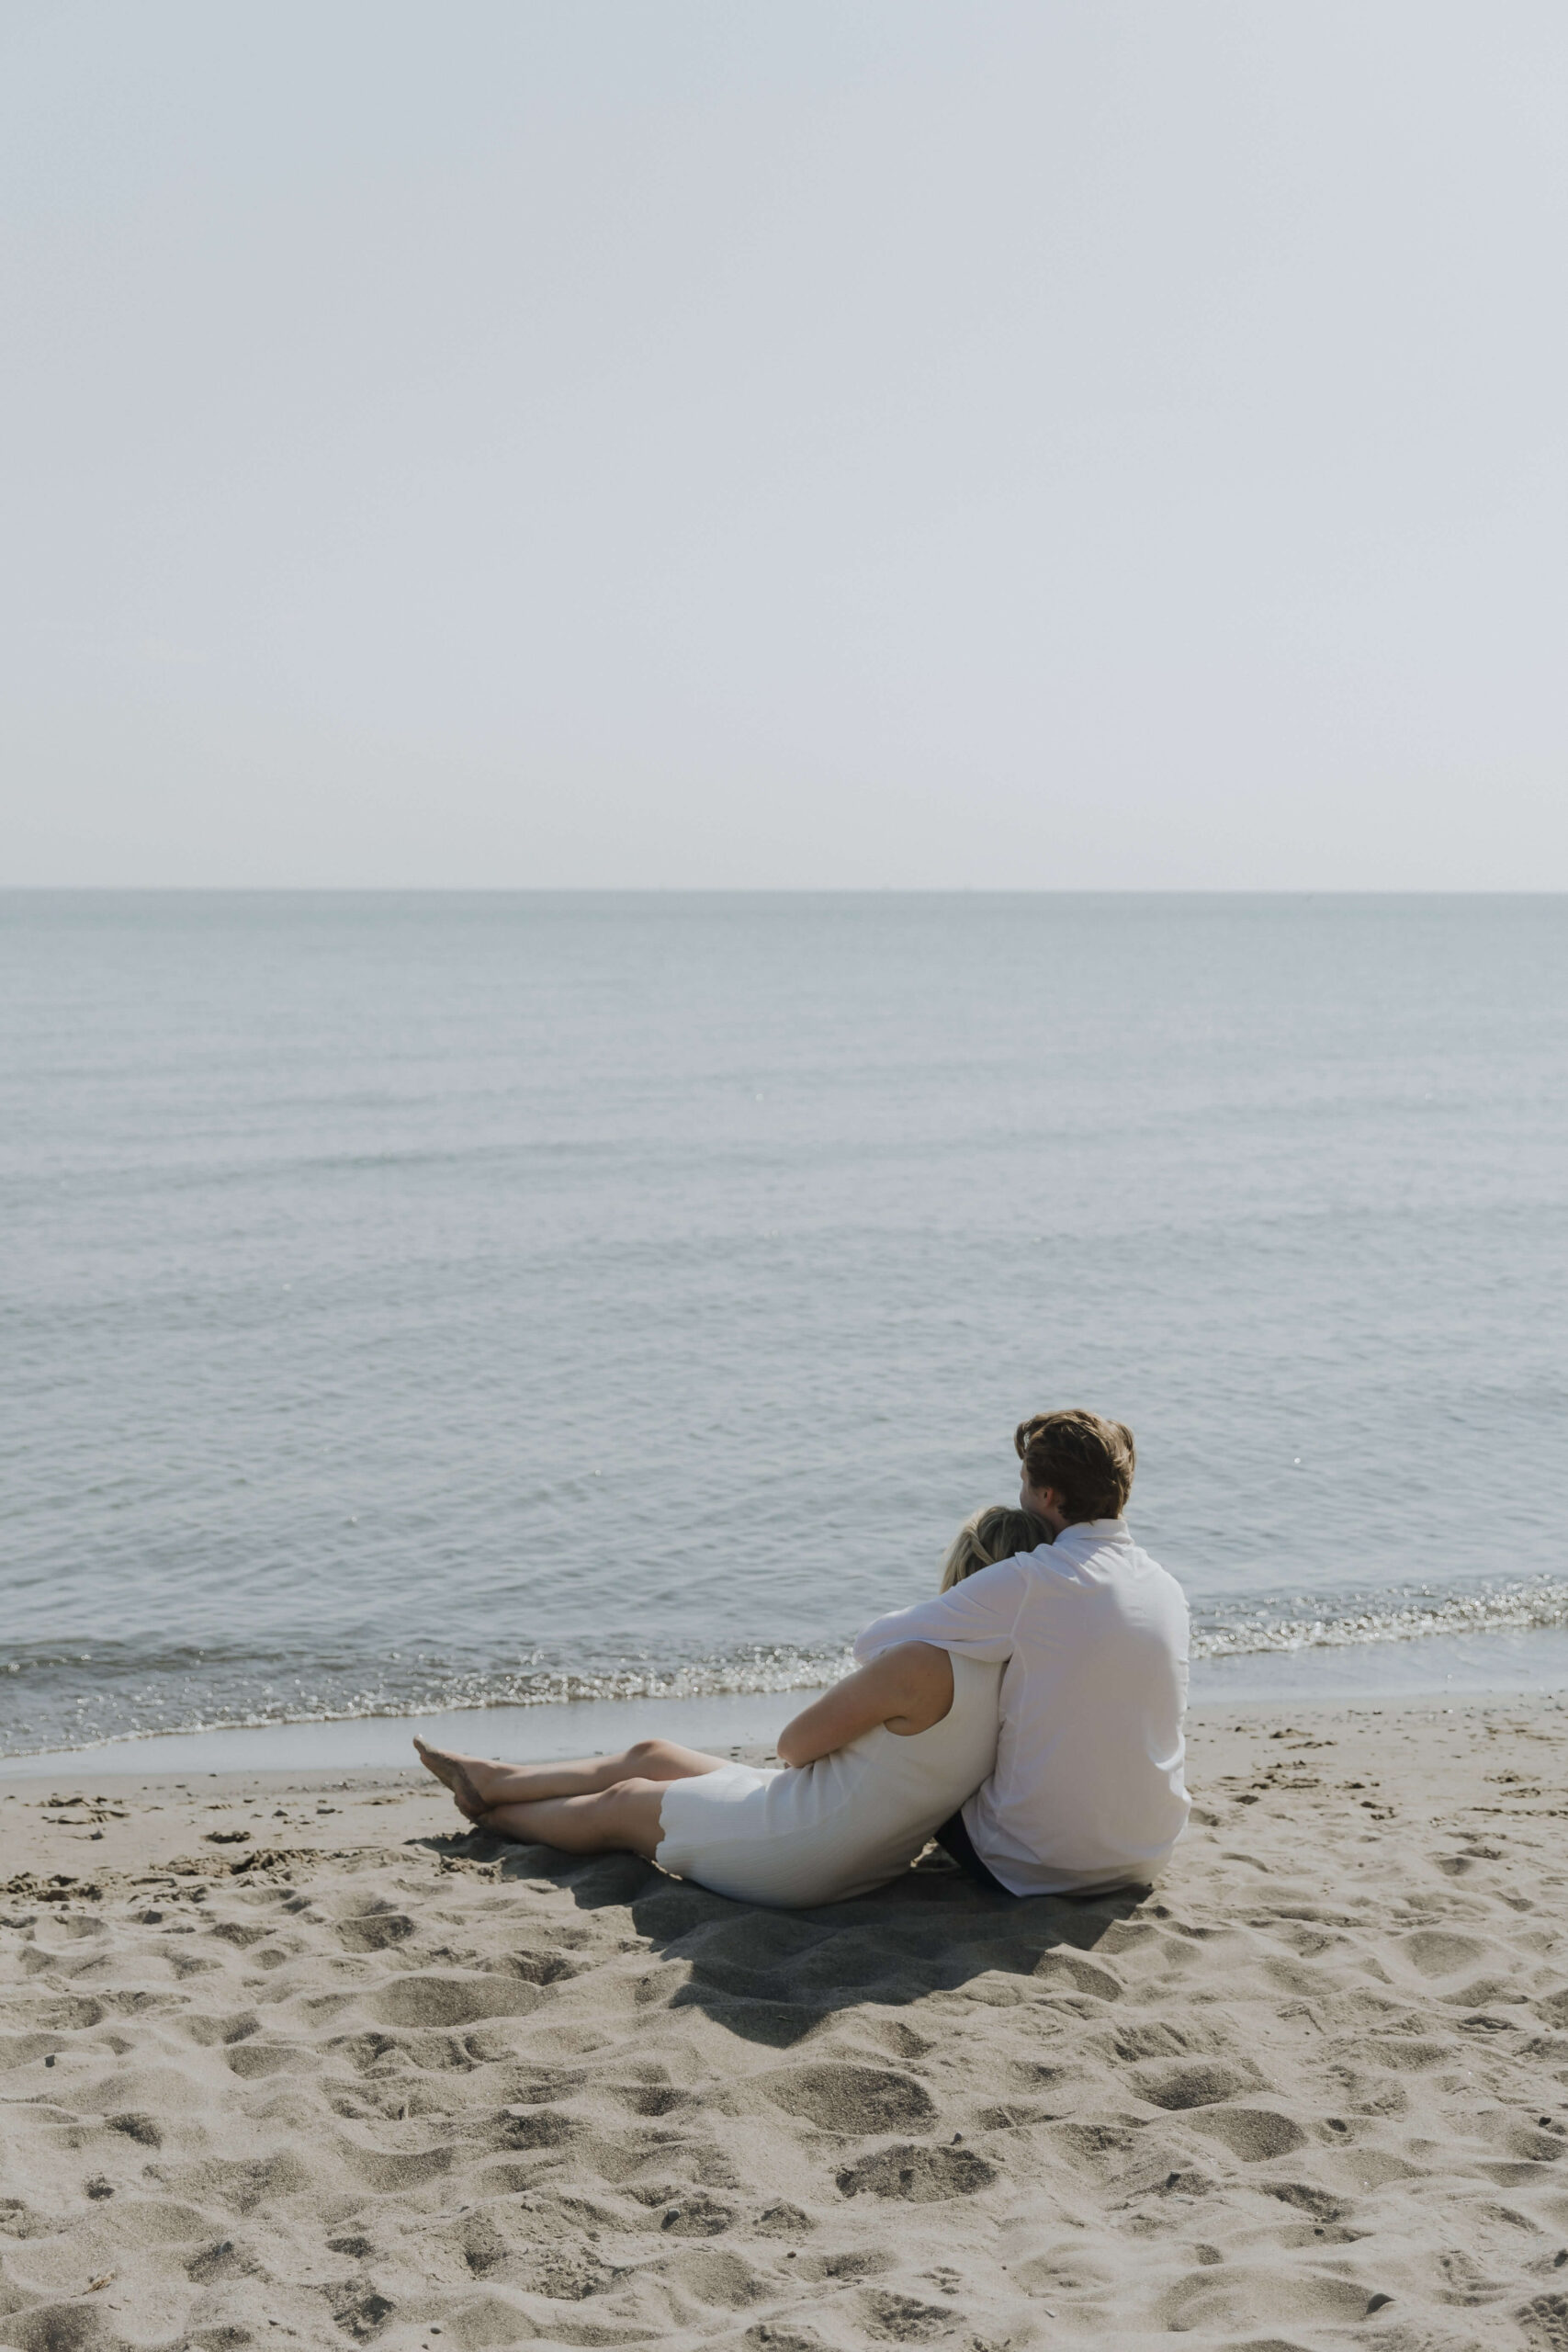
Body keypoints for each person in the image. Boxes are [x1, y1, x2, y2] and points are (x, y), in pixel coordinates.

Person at [412, 1503, 1050, 1908]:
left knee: (625, 1801)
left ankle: (495, 1816)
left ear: (964, 1573)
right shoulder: (1024, 1676)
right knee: (652, 1755)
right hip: (861, 1851)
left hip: (806, 1850)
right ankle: (498, 1780)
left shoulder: (922, 1661)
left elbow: (794, 1747)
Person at [857, 1408, 1190, 1900]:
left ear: (1047, 1495)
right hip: (1147, 1855)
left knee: (943, 1752)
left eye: (1023, 1483)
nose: (1020, 1496)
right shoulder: (1166, 1588)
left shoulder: (1032, 1579)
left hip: (1036, 1865)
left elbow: (875, 1643)